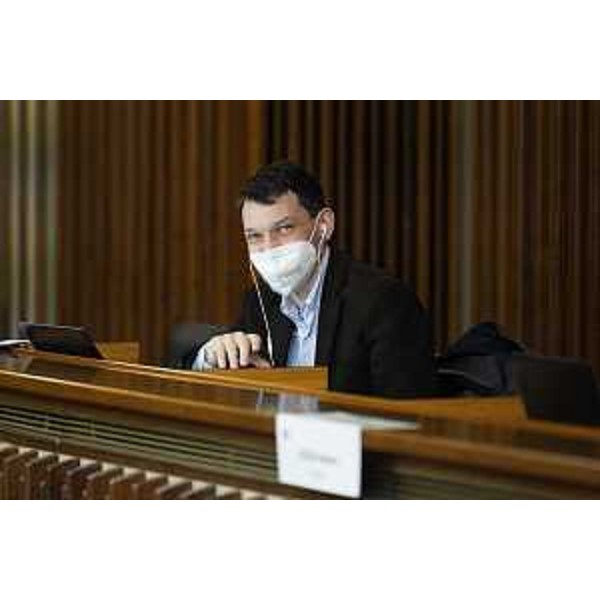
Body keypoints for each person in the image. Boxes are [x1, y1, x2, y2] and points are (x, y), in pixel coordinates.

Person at [184, 161, 436, 398]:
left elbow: (407, 413)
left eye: (284, 229)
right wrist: (210, 356)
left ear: (324, 225)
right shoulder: (261, 300)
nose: (269, 248)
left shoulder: (383, 301)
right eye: (255, 237)